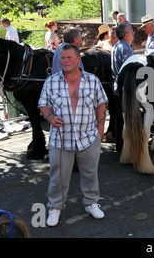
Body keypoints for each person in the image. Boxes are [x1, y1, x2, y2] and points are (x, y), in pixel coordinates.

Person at [39, 44, 108, 227]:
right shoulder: (51, 81)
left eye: (69, 58)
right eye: (62, 58)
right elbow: (43, 105)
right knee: (58, 176)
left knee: (90, 173)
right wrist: (50, 117)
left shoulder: (92, 80)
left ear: (79, 59)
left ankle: (91, 203)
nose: (65, 61)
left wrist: (100, 132)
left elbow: (102, 104)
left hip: (88, 137)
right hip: (60, 139)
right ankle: (55, 207)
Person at [111, 23, 135, 95]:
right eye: (131, 32)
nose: (133, 34)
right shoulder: (125, 48)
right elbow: (130, 68)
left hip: (118, 87)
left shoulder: (117, 46)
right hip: (126, 90)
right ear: (126, 35)